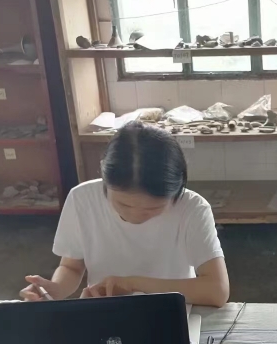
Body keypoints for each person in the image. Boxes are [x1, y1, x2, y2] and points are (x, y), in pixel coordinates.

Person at [20, 121, 229, 307]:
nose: (135, 215)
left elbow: (217, 290)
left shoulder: (192, 209)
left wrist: (133, 284)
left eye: (152, 208)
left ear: (176, 190)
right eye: (123, 204)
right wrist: (56, 289)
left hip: (169, 311)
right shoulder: (82, 199)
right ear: (104, 177)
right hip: (106, 310)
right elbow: (72, 266)